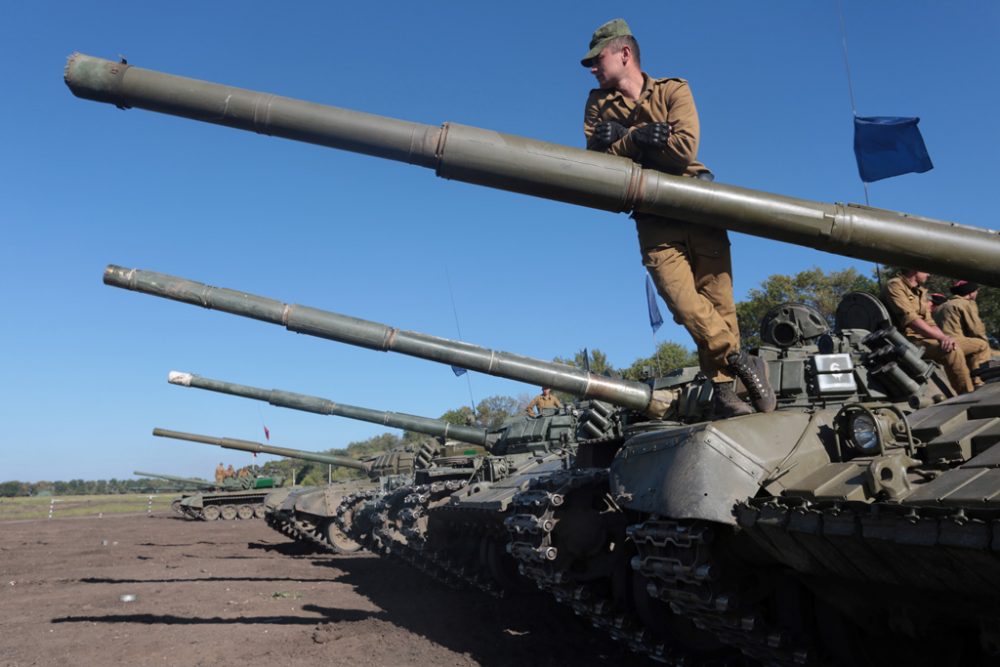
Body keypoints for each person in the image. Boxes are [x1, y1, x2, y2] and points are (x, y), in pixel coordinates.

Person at [580, 18, 775, 418]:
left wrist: (623, 140)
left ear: (624, 54)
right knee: (685, 307)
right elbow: (596, 168)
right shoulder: (597, 103)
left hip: (697, 202)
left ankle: (724, 391)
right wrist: (639, 138)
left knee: (719, 303)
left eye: (597, 60)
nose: (592, 70)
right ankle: (740, 358)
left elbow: (683, 150)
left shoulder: (674, 89)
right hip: (653, 219)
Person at [882, 270, 979, 394]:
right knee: (952, 351)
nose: (929, 275)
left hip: (925, 337)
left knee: (980, 345)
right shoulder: (895, 285)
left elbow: (930, 322)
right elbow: (912, 320)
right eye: (926, 271)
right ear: (914, 270)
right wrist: (941, 338)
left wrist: (944, 337)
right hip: (907, 340)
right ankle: (967, 394)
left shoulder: (920, 291)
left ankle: (978, 383)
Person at [934, 280, 992, 386]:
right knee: (982, 345)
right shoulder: (965, 304)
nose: (977, 293)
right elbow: (976, 328)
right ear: (970, 292)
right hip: (954, 341)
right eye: (976, 291)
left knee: (972, 344)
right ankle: (979, 380)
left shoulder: (942, 306)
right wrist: (984, 341)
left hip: (939, 343)